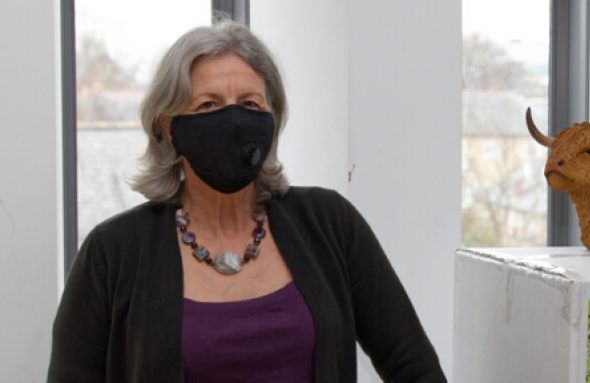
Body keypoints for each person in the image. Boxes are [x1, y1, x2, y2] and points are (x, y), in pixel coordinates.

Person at [48, 21, 446, 382]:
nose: (234, 121)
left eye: (251, 104)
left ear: (273, 119)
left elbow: (414, 367)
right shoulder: (112, 253)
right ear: (169, 128)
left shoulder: (330, 224)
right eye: (209, 104)